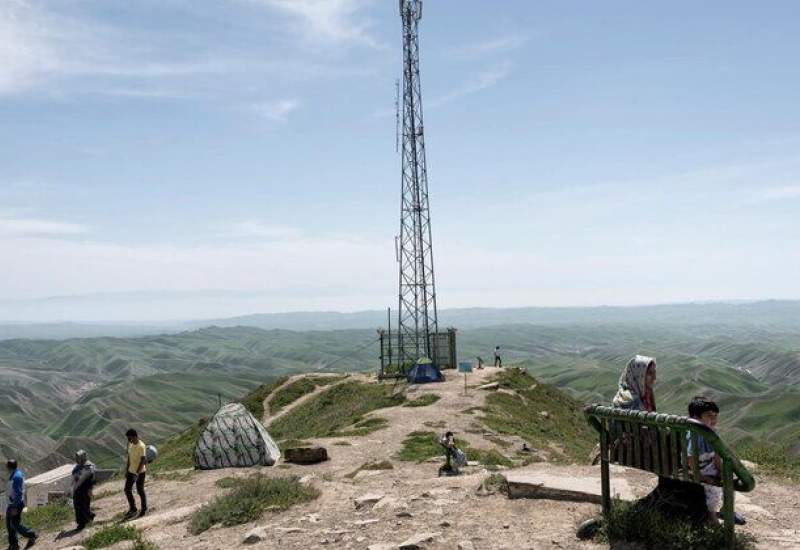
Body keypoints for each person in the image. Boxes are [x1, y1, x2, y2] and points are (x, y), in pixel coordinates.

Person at [686, 396, 746, 526]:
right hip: (699, 469)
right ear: (696, 418)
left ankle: (726, 509)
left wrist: (719, 470)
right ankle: (712, 515)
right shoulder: (695, 435)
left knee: (728, 476)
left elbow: (717, 455)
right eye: (709, 416)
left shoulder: (711, 432)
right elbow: (690, 458)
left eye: (715, 416)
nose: (714, 420)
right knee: (711, 489)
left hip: (708, 466)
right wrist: (701, 476)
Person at [5, 459, 37, 550]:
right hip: (11, 504)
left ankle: (32, 535)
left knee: (15, 524)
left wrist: (14, 506)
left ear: (9, 467)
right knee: (9, 525)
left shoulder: (16, 477)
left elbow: (18, 493)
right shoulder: (16, 474)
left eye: (7, 467)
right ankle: (13, 545)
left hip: (15, 505)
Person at [124, 429, 147, 519]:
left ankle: (144, 509)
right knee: (127, 489)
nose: (129, 440)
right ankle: (133, 508)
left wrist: (137, 473)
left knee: (140, 490)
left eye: (130, 438)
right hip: (131, 471)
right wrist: (127, 469)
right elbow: (129, 458)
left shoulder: (141, 446)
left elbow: (143, 461)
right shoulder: (131, 444)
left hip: (140, 472)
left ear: (135, 436)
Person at [71, 450, 96, 530]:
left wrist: (90, 489)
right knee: (78, 506)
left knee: (84, 505)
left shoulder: (89, 466)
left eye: (78, 457)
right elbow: (75, 476)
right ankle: (84, 520)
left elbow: (89, 478)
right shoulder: (77, 467)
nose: (77, 459)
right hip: (78, 489)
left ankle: (83, 522)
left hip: (85, 489)